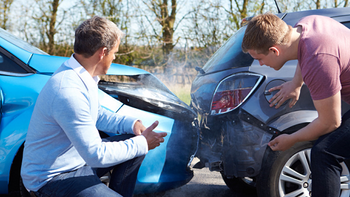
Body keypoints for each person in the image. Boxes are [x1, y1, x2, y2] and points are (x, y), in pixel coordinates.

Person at [21, 16, 167, 197]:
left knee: (134, 138)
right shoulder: (67, 89)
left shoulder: (81, 75)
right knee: (138, 143)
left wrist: (132, 124)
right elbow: (95, 154)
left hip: (76, 162)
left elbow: (94, 114)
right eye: (114, 52)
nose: (114, 57)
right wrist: (143, 143)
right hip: (51, 179)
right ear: (102, 52)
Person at [242, 13, 350, 196]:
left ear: (274, 50)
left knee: (325, 152)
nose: (260, 63)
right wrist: (296, 82)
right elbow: (305, 50)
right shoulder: (308, 24)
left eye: (259, 58)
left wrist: (291, 139)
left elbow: (330, 122)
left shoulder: (318, 59)